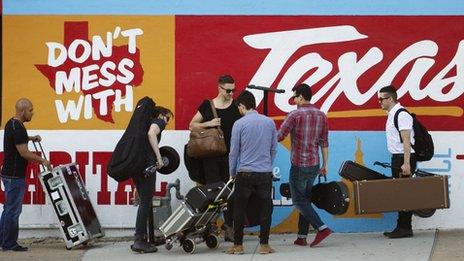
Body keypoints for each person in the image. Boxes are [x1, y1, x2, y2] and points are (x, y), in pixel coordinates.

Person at [277, 83, 332, 247]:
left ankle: (322, 228)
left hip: (299, 164)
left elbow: (279, 136)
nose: (293, 99)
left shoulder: (294, 115)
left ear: (301, 96)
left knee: (299, 201)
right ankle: (301, 237)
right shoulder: (321, 115)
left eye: (294, 96)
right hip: (315, 164)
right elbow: (324, 143)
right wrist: (325, 164)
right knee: (305, 200)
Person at [189, 74, 241, 240]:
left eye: (233, 90)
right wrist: (209, 123)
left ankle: (229, 227)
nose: (231, 94)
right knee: (213, 192)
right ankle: (210, 226)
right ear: (219, 88)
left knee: (230, 193)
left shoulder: (237, 106)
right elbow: (192, 125)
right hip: (210, 156)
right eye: (228, 90)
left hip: (230, 156)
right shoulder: (208, 105)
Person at [226, 90, 277, 255]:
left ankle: (238, 246)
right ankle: (264, 245)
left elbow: (234, 152)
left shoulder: (239, 124)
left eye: (238, 107)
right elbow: (273, 149)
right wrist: (267, 165)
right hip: (264, 173)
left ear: (241, 106)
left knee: (239, 210)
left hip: (245, 173)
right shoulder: (269, 123)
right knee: (265, 209)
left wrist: (232, 172)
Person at [0, 98, 52, 251]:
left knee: (8, 208)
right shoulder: (18, 127)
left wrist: (31, 138)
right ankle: (9, 243)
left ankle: (3, 239)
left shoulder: (12, 123)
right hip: (14, 176)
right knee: (13, 211)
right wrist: (43, 161)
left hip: (9, 174)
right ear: (23, 111)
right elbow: (24, 152)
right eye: (31, 110)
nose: (33, 113)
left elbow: (17, 140)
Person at [131, 106, 173, 253]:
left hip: (137, 167)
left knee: (145, 201)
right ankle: (139, 240)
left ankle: (145, 238)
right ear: (161, 115)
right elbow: (151, 134)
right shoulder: (157, 122)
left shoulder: (143, 123)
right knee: (146, 202)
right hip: (147, 168)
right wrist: (159, 157)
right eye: (167, 118)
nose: (167, 123)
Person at [378, 85, 416, 238]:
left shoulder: (401, 115)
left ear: (390, 99)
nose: (379, 102)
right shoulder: (392, 114)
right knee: (401, 194)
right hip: (397, 158)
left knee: (404, 194)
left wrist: (406, 163)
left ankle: (405, 228)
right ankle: (402, 226)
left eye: (381, 99)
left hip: (403, 158)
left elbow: (406, 140)